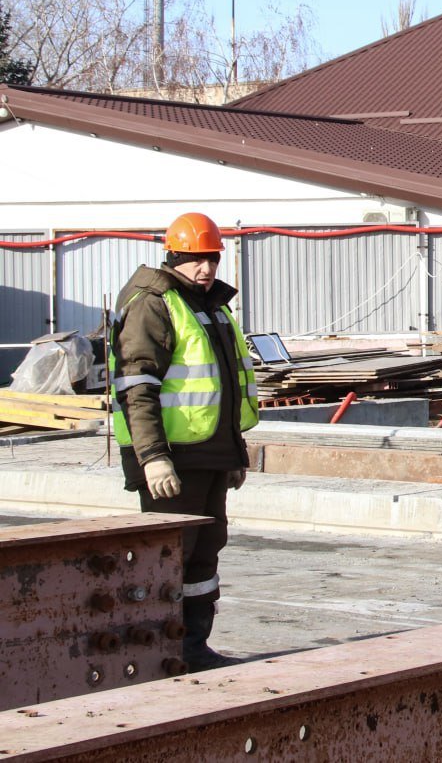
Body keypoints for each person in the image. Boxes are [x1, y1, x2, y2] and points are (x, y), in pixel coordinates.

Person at [108, 212, 259, 672]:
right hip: (171, 458)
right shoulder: (153, 304)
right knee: (169, 557)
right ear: (172, 256)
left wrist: (234, 454)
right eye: (195, 259)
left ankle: (192, 647)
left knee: (205, 551)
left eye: (210, 258)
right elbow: (138, 387)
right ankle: (155, 652)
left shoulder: (211, 305)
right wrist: (153, 458)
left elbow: (226, 385)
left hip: (210, 454)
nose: (205, 268)